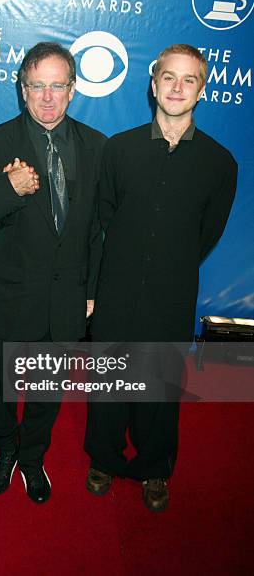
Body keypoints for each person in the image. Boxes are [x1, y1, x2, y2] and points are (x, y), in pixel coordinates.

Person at [0, 42, 106, 503]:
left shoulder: (97, 148)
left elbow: (99, 228)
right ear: (22, 90)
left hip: (65, 300)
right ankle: (4, 449)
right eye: (37, 85)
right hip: (8, 295)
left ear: (73, 89)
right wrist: (7, 188)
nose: (47, 97)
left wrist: (92, 289)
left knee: (45, 391)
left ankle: (33, 456)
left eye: (58, 85)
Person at [84, 44, 237, 511]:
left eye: (188, 80)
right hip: (117, 290)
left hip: (172, 293)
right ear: (153, 85)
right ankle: (104, 458)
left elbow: (206, 234)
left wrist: (168, 264)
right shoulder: (120, 149)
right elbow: (102, 219)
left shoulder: (220, 163)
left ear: (201, 90)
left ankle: (155, 468)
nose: (176, 87)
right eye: (168, 77)